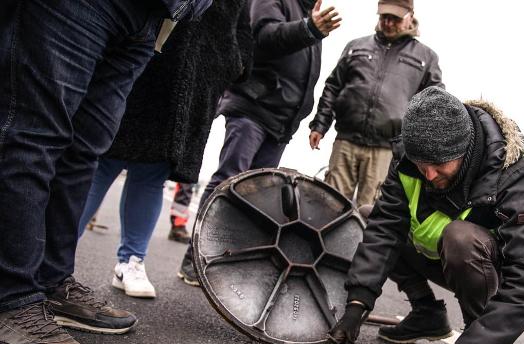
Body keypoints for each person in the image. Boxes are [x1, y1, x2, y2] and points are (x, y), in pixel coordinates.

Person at [0, 0, 212, 344]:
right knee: (36, 135)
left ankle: (51, 280)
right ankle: (11, 295)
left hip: (150, 17)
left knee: (85, 150)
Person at [328, 87, 524, 344]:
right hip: (437, 254)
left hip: (486, 269)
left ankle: (480, 334)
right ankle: (427, 314)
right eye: (422, 166)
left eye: (439, 165)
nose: (429, 175)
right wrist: (355, 308)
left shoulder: (512, 174)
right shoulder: (409, 160)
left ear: (466, 151)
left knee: (460, 237)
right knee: (367, 217)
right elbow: (384, 230)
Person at [78, 0, 252, 299]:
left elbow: (243, 31)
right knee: (101, 161)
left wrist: (231, 63)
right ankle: (51, 259)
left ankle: (131, 261)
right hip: (146, 58)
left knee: (150, 172)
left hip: (193, 80)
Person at [177, 0, 341, 286]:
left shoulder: (307, 12)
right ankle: (194, 256)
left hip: (281, 120)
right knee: (228, 181)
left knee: (257, 196)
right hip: (254, 107)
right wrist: (309, 29)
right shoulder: (279, 4)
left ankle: (226, 259)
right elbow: (264, 38)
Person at [308, 0, 443, 207]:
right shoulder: (355, 46)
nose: (388, 23)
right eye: (384, 17)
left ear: (410, 16)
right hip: (345, 142)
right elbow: (333, 87)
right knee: (329, 205)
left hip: (386, 150)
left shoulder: (427, 58)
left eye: (395, 18)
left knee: (368, 212)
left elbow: (433, 105)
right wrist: (320, 124)